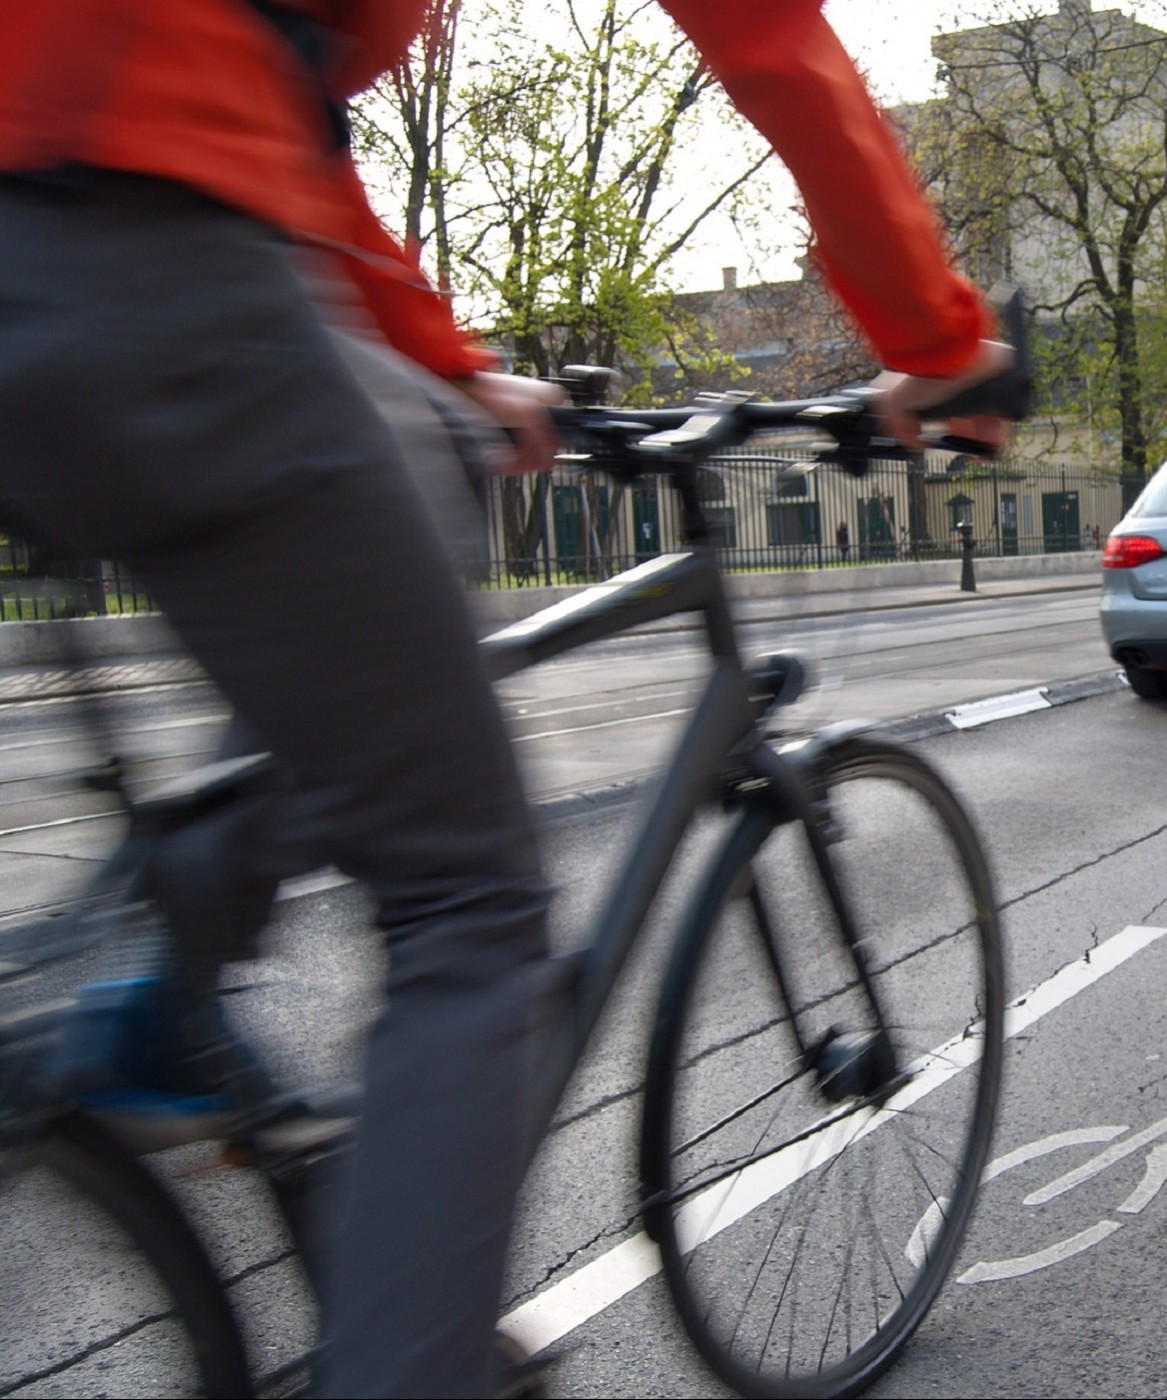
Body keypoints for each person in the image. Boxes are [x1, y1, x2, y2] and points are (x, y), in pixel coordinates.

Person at [0, 3, 1021, 1394]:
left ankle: (173, 993)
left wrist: (455, 368)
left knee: (420, 477)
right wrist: (939, 337)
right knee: (471, 905)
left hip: (83, 244)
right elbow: (771, 39)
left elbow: (279, 116)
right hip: (143, 255)